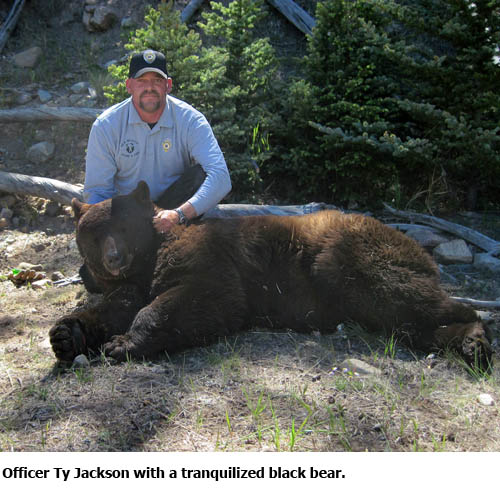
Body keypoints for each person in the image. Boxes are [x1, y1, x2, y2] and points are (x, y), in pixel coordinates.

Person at [83, 49, 231, 233]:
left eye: (157, 81)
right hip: (127, 217)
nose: (149, 87)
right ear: (129, 85)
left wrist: (179, 214)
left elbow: (221, 177)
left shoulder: (191, 120)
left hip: (175, 211)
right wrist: (107, 231)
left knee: (199, 175)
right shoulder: (106, 126)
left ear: (168, 85)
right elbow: (97, 192)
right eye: (141, 81)